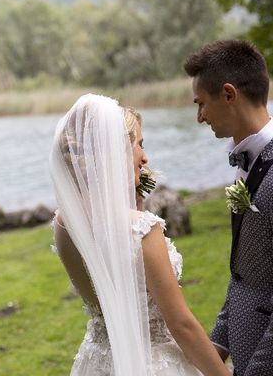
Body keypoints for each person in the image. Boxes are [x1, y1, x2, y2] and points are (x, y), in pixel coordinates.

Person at [49, 94, 230, 375]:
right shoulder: (142, 230)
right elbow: (181, 326)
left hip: (98, 359)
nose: (145, 157)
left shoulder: (64, 224)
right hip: (152, 362)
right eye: (139, 145)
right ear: (113, 151)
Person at [185, 40, 273, 376]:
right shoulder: (246, 162)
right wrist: (217, 346)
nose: (199, 117)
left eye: (201, 104)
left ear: (228, 94)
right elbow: (245, 273)